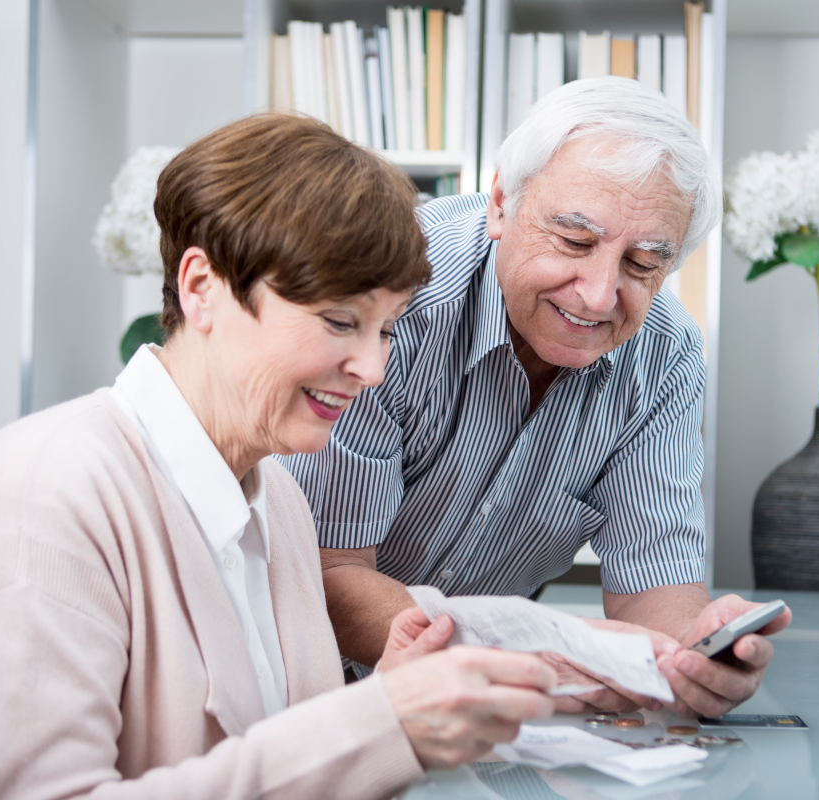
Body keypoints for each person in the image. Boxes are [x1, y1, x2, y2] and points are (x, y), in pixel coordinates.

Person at [0, 115, 557, 800]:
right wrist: (377, 726)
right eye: (340, 321)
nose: (372, 368)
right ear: (202, 288)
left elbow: (283, 752)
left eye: (388, 330)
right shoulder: (42, 494)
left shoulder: (279, 499)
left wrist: (386, 701)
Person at [280, 77, 792, 721]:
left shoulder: (666, 353)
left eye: (642, 264)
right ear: (500, 202)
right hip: (300, 687)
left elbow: (654, 587)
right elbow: (324, 575)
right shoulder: (391, 292)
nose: (600, 294)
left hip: (472, 705)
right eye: (575, 242)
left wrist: (691, 656)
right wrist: (522, 653)